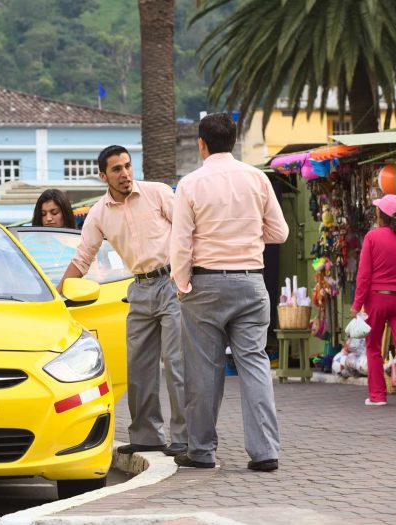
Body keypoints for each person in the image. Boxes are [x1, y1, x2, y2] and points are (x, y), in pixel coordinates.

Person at [170, 112, 288, 472]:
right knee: (254, 364)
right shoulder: (257, 179)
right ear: (234, 141)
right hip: (252, 282)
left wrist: (182, 283)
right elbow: (279, 232)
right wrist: (249, 238)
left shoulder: (190, 184)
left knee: (204, 371)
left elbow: (180, 244)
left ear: (201, 144)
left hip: (205, 285)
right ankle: (266, 451)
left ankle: (202, 451)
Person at [58, 145, 187, 457]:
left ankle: (186, 437)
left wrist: (190, 275)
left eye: (128, 166)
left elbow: (187, 231)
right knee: (139, 366)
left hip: (172, 283)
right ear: (104, 175)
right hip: (139, 289)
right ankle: (147, 435)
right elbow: (83, 258)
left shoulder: (158, 193)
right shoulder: (98, 214)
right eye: (116, 169)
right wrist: (57, 295)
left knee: (176, 363)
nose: (125, 173)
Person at [350, 194, 396, 408]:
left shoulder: (372, 237)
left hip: (376, 299)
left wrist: (356, 305)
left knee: (373, 346)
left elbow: (363, 276)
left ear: (382, 215)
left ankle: (377, 396)